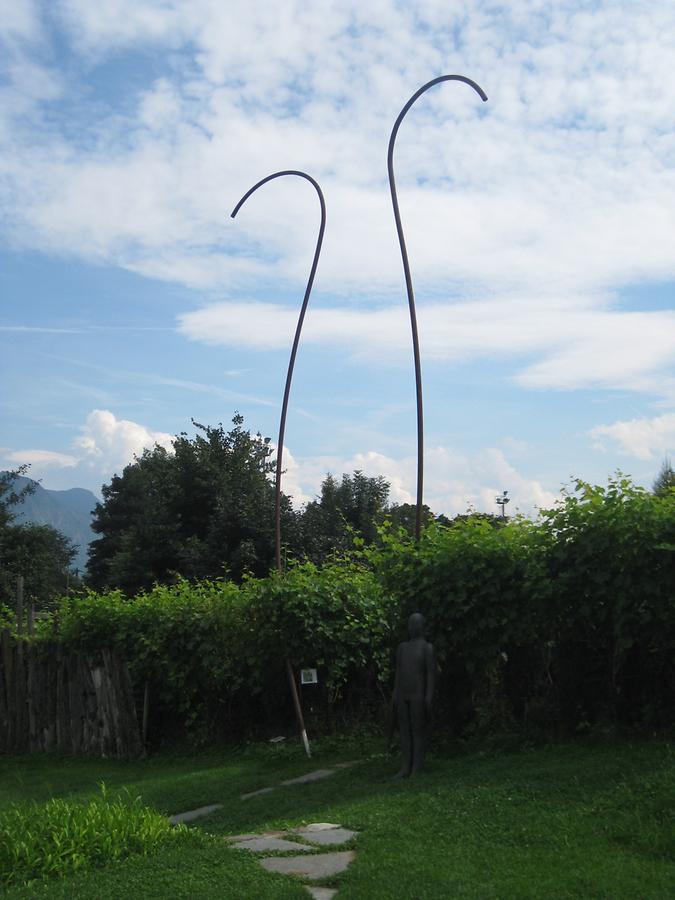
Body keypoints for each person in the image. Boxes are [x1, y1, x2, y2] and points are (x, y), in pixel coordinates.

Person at [391, 612, 435, 777]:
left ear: (422, 627)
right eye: (411, 624)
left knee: (417, 731)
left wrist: (429, 695)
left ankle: (416, 766)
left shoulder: (427, 648)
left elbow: (431, 674)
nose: (413, 627)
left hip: (418, 695)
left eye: (416, 624)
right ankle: (405, 766)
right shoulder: (402, 647)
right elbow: (398, 672)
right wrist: (395, 693)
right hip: (403, 695)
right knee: (404, 731)